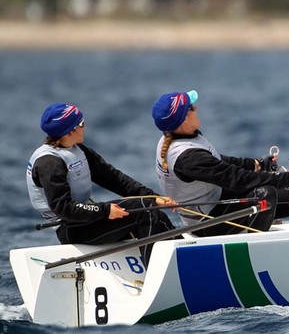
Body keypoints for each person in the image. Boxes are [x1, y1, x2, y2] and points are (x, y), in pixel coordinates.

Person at [152, 89, 289, 235]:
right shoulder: (188, 158)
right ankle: (257, 253)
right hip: (208, 224)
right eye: (191, 107)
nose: (196, 108)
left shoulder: (179, 138)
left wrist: (257, 164)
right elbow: (238, 180)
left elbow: (218, 163)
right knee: (265, 195)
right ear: (183, 119)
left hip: (217, 202)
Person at [26, 102, 176, 265]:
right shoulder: (49, 163)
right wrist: (104, 211)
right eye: (81, 123)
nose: (85, 126)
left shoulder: (77, 150)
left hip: (87, 219)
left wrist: (153, 197)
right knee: (145, 212)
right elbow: (62, 208)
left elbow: (113, 178)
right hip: (71, 228)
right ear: (69, 131)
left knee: (154, 212)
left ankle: (184, 257)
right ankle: (158, 276)